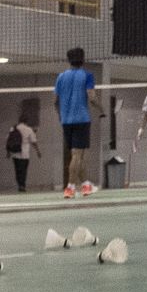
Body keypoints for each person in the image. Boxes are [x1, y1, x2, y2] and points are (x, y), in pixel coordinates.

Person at [54, 47, 101, 199]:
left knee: (77, 155)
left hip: (66, 121)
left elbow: (56, 101)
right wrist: (102, 109)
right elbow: (92, 97)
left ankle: (86, 185)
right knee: (77, 155)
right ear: (83, 59)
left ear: (68, 60)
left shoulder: (61, 77)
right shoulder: (87, 75)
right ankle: (70, 187)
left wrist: (61, 116)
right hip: (81, 119)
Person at [8, 113, 41, 192]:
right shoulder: (29, 129)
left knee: (17, 169)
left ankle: (19, 184)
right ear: (26, 121)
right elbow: (34, 141)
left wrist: (8, 151)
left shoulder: (13, 128)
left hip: (15, 152)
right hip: (25, 153)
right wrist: (38, 151)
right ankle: (22, 185)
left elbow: (9, 140)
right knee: (23, 170)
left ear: (19, 120)